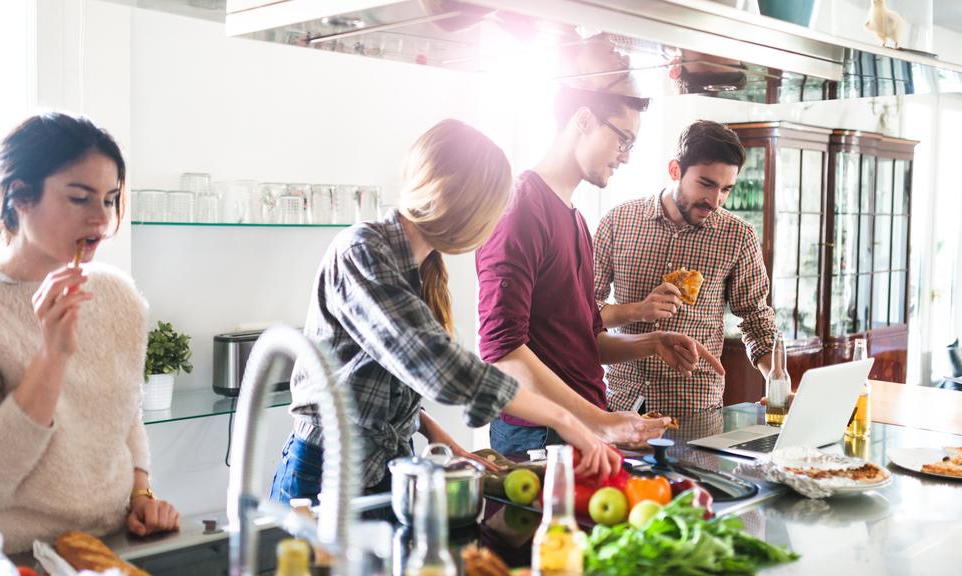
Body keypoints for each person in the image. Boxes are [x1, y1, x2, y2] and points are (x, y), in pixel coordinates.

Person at [271, 119, 624, 505]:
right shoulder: (362, 251)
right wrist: (565, 419)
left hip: (381, 467)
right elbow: (436, 363)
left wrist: (435, 432)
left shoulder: (419, 266)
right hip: (324, 473)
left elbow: (380, 377)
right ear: (462, 203)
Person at [0, 112, 179, 567]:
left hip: (101, 546)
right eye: (79, 198)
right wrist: (51, 355)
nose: (100, 218)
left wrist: (141, 492)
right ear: (19, 196)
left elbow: (124, 416)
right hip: (1, 558)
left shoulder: (117, 295)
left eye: (109, 200)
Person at [476, 38, 724, 455]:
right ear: (585, 119)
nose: (626, 156)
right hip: (540, 435)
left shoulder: (573, 216)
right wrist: (603, 422)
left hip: (580, 426)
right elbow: (502, 354)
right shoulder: (519, 210)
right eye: (623, 139)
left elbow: (582, 339)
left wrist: (652, 342)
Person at [593, 120, 776, 416]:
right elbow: (584, 311)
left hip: (695, 408)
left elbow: (756, 318)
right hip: (621, 405)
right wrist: (639, 310)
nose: (715, 201)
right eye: (706, 184)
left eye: (726, 189)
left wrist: (777, 377)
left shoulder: (738, 236)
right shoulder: (617, 222)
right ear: (675, 170)